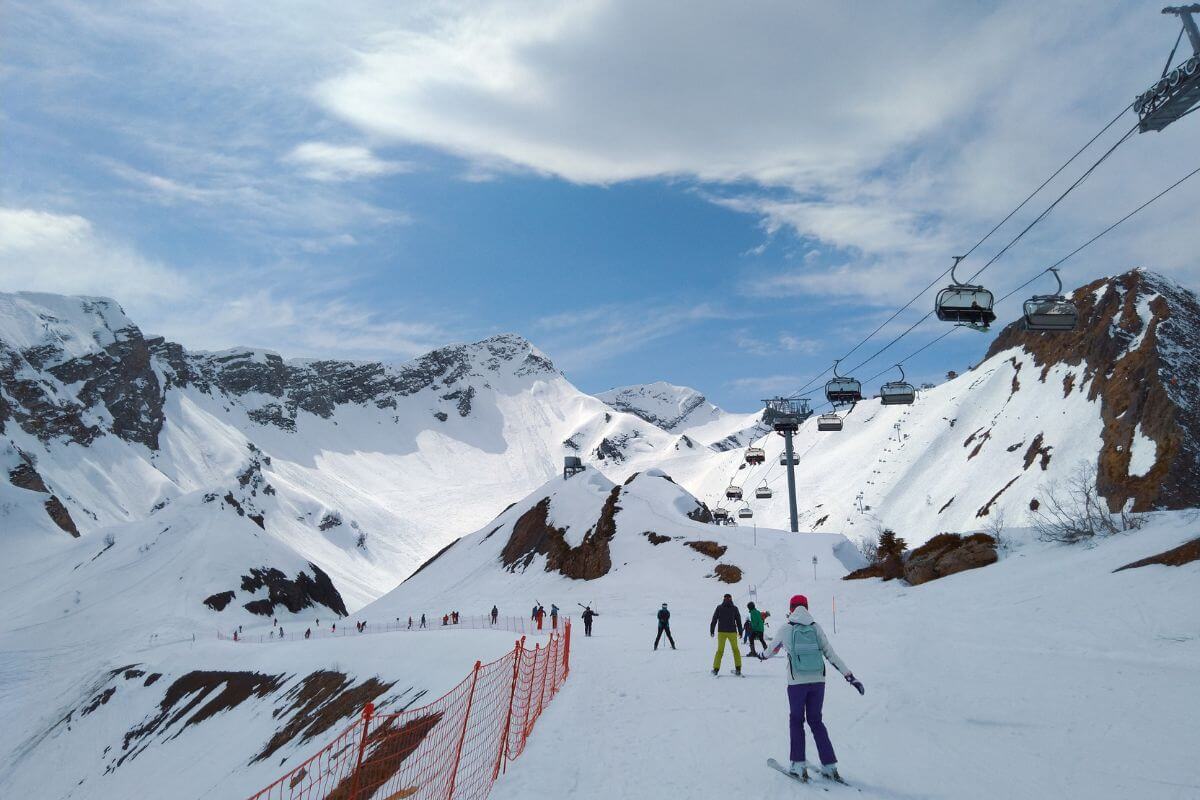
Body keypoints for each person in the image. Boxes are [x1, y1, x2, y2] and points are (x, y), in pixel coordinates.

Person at [765, 594, 864, 784]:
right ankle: (830, 766)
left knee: (796, 721)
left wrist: (762, 655)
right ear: (807, 607)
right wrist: (849, 676)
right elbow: (831, 654)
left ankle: (798, 765)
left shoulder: (786, 628)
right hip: (818, 682)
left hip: (796, 684)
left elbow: (771, 650)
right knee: (816, 721)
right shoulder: (816, 627)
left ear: (791, 608)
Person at [710, 593, 743, 676]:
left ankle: (715, 669)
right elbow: (738, 621)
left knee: (720, 651)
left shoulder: (719, 607)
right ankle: (738, 669)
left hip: (722, 632)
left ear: (724, 599)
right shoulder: (734, 608)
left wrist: (712, 630)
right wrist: (740, 632)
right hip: (732, 632)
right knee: (735, 650)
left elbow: (714, 619)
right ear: (731, 599)